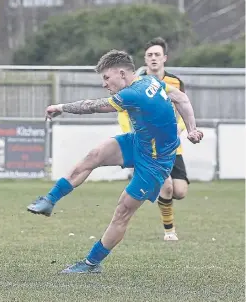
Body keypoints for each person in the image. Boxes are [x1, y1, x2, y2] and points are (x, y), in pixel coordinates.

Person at [26, 49, 203, 274]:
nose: (104, 84)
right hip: (139, 142)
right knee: (94, 156)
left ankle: (91, 263)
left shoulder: (133, 94)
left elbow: (92, 106)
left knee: (122, 212)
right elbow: (181, 97)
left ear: (121, 73)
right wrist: (192, 129)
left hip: (156, 162)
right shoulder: (151, 80)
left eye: (106, 78)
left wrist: (60, 107)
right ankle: (49, 200)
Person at [118, 37, 189, 241]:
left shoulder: (175, 83)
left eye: (157, 54)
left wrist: (181, 129)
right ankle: (169, 231)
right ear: (145, 59)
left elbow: (183, 107)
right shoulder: (136, 82)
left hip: (173, 146)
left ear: (164, 58)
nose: (154, 58)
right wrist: (131, 134)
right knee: (166, 186)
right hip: (149, 145)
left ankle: (150, 184)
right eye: (150, 55)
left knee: (180, 191)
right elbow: (122, 113)